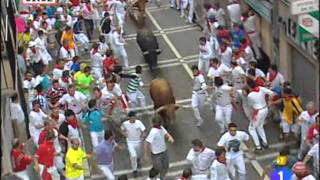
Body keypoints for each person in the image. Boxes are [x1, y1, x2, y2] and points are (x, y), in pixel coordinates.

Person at [247, 78, 274, 150]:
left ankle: (258, 146)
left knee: (251, 128)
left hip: (258, 111)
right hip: (265, 108)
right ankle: (265, 142)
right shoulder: (261, 88)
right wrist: (269, 101)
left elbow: (250, 106)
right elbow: (272, 93)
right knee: (260, 126)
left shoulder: (250, 95)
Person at [121, 111, 146, 177]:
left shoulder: (139, 123)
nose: (133, 119)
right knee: (133, 156)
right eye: (132, 118)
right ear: (129, 118)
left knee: (138, 154)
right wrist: (124, 134)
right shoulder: (125, 124)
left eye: (134, 118)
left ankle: (138, 159)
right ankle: (134, 170)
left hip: (138, 141)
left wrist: (143, 136)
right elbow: (122, 130)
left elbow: (143, 131)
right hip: (130, 142)